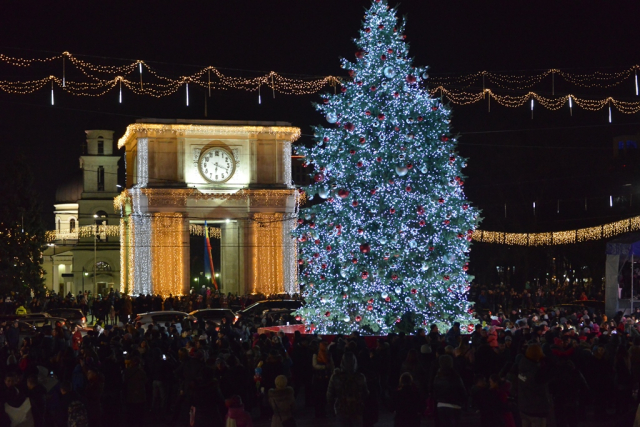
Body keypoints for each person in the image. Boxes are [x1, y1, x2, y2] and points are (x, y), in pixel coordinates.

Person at [327, 351, 369, 427]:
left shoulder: (336, 377)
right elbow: (365, 394)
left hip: (341, 409)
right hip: (357, 409)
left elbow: (330, 395)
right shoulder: (360, 377)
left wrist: (331, 409)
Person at [517, 344, 552, 427]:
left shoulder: (522, 367)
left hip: (524, 407)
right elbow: (552, 369)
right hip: (537, 410)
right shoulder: (537, 373)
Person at [432, 354, 466, 427]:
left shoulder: (437, 377)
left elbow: (434, 390)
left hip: (441, 404)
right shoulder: (456, 376)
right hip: (455, 405)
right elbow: (462, 391)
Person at [312, 341, 334, 418]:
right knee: (319, 394)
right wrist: (324, 367)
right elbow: (314, 365)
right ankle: (318, 411)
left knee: (324, 394)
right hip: (319, 376)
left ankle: (322, 411)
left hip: (325, 376)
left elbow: (332, 364)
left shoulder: (328, 354)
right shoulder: (316, 354)